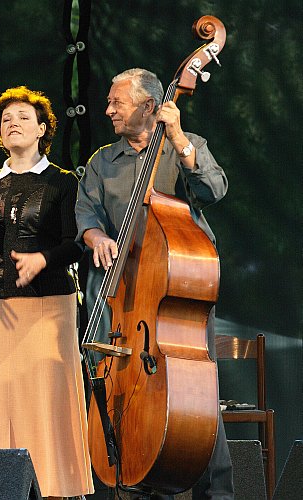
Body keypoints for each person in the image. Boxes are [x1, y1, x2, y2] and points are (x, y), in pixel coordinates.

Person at [75, 68, 232, 499]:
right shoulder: (102, 161)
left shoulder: (185, 145)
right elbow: (85, 214)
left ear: (149, 107)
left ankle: (217, 494)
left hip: (180, 288)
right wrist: (96, 236)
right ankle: (136, 483)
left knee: (196, 392)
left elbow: (214, 190)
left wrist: (179, 137)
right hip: (127, 299)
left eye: (117, 103)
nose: (108, 110)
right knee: (127, 392)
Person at [0, 86, 94, 499]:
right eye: (7, 118)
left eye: (24, 117)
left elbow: (75, 242)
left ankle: (58, 489)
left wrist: (43, 259)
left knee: (45, 400)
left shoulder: (62, 182)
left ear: (43, 129)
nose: (14, 123)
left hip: (48, 307)